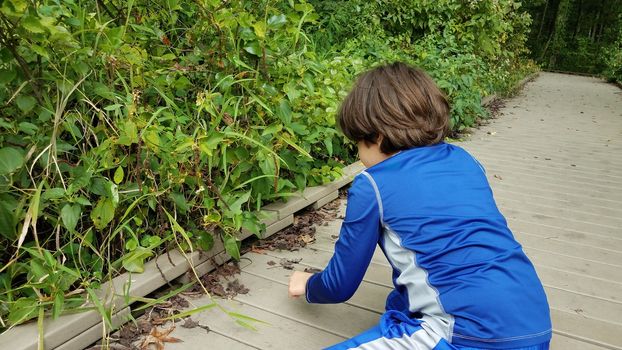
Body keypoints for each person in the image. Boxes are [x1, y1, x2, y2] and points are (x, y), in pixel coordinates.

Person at [287, 62, 552, 350]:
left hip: (469, 337)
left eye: (357, 143)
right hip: (535, 324)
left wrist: (309, 284)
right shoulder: (465, 160)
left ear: (376, 136)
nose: (359, 153)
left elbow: (339, 285)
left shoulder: (372, 184)